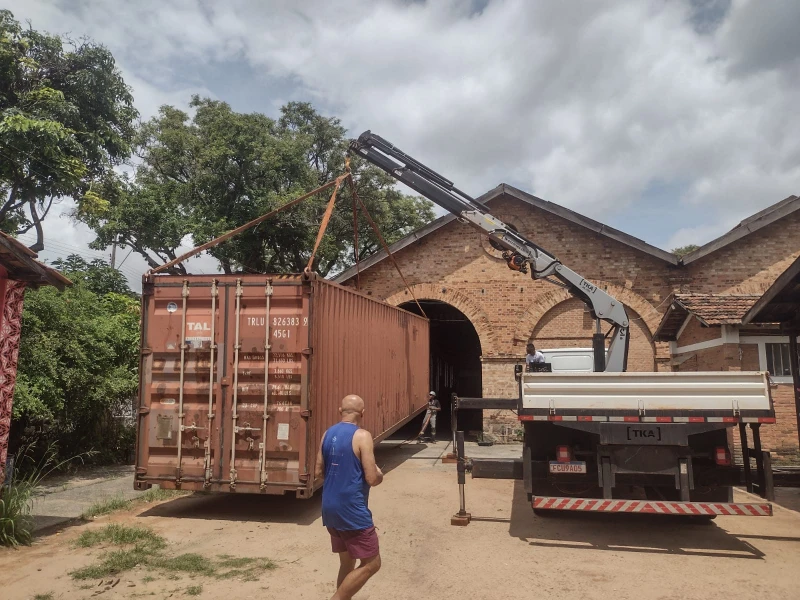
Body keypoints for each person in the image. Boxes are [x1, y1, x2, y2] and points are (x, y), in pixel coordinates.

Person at [315, 394, 383, 600]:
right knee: (372, 563)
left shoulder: (327, 434)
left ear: (340, 411)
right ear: (363, 413)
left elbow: (319, 472)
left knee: (347, 562)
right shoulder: (362, 436)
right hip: (351, 510)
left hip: (329, 508)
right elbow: (372, 478)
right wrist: (379, 474)